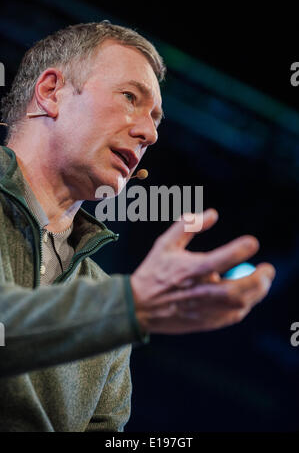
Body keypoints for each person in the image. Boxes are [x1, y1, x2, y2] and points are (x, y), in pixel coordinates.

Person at [0, 21, 275, 432]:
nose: (149, 133)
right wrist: (132, 305)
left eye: (156, 119)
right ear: (51, 91)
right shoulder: (119, 305)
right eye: (130, 97)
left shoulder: (104, 297)